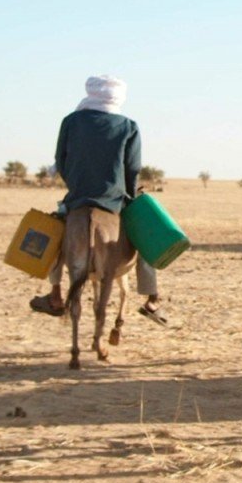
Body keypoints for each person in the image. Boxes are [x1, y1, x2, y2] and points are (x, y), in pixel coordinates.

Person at [29, 75, 169, 327]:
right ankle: (151, 297)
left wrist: (75, 187)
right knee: (145, 235)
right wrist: (129, 195)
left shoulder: (71, 121)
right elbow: (133, 167)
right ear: (118, 97)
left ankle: (55, 293)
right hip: (115, 200)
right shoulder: (128, 126)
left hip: (77, 199)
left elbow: (61, 159)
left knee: (54, 236)